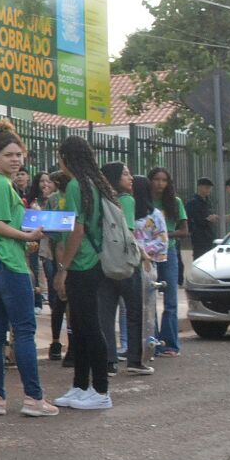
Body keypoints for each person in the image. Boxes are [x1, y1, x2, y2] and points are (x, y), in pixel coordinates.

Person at [0, 128, 58, 417]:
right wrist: (27, 237)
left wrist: (23, 237)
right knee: (23, 331)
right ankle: (33, 398)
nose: (16, 160)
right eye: (8, 155)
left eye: (19, 154)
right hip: (6, 264)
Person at [53, 135, 115, 410]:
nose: (59, 162)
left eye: (60, 156)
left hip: (83, 265)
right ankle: (80, 386)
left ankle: (100, 390)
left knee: (88, 327)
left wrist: (62, 269)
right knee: (80, 327)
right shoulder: (95, 183)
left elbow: (77, 230)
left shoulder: (78, 186)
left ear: (67, 158)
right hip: (94, 263)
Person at [98, 161, 142, 377]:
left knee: (106, 313)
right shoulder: (126, 200)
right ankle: (134, 360)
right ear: (115, 178)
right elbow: (129, 233)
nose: (130, 178)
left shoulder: (101, 199)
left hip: (105, 262)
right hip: (125, 263)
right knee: (133, 311)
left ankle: (109, 361)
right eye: (125, 174)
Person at [148, 166, 188, 357]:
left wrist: (163, 235)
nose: (160, 184)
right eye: (156, 179)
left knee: (170, 298)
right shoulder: (144, 201)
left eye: (164, 180)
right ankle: (153, 342)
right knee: (149, 297)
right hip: (148, 253)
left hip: (168, 251)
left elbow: (184, 230)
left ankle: (170, 343)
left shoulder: (175, 202)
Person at [130, 174, 168, 375]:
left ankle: (147, 350)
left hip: (145, 265)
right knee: (130, 310)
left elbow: (162, 241)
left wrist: (142, 250)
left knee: (147, 310)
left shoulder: (154, 215)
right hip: (127, 265)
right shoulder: (125, 211)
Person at [43, 170, 69, 362]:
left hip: (74, 253)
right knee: (58, 300)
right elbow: (52, 233)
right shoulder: (53, 200)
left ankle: (73, 341)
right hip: (56, 254)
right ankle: (55, 341)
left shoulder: (76, 197)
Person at [27, 171, 53, 315]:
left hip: (50, 241)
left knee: (50, 271)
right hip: (35, 239)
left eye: (48, 181)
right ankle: (36, 301)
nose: (45, 184)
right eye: (42, 181)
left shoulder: (55, 199)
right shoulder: (32, 201)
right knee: (34, 269)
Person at [186, 177, 218, 260]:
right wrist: (206, 219)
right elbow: (190, 219)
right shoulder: (193, 203)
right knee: (200, 258)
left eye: (210, 188)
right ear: (200, 187)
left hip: (209, 235)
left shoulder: (208, 202)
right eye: (206, 188)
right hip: (199, 237)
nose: (208, 190)